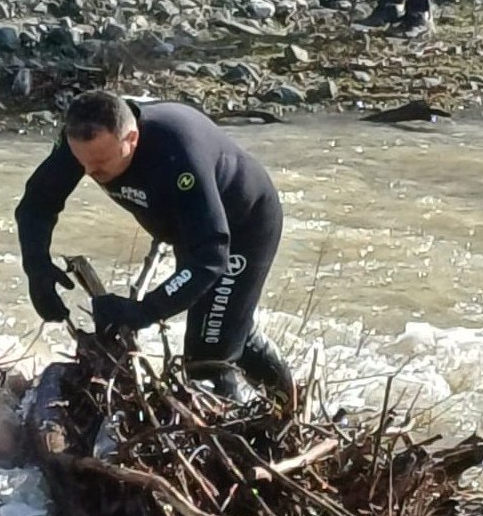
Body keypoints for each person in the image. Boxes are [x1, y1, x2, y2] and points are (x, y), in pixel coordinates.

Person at [15, 90, 296, 402]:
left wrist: (142, 311)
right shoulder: (85, 142)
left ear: (132, 138)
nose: (91, 173)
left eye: (102, 164)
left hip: (240, 227)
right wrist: (36, 267)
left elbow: (211, 255)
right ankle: (281, 399)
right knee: (228, 331)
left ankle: (268, 429)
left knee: (207, 362)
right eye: (83, 163)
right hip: (188, 227)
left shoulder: (178, 152)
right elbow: (36, 205)